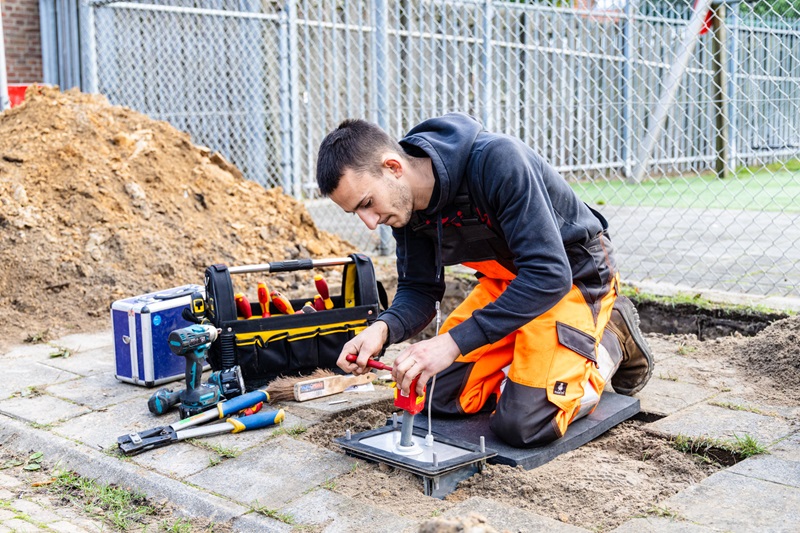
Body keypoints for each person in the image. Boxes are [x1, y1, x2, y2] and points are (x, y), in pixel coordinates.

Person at [315, 113, 653, 447]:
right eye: (356, 213)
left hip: (571, 281)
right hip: (509, 284)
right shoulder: (404, 209)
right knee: (431, 391)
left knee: (526, 424)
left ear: (393, 167)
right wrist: (382, 329)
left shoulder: (496, 162)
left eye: (367, 204)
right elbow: (419, 289)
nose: (370, 222)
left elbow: (549, 275)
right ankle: (530, 351)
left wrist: (451, 344)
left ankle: (611, 338)